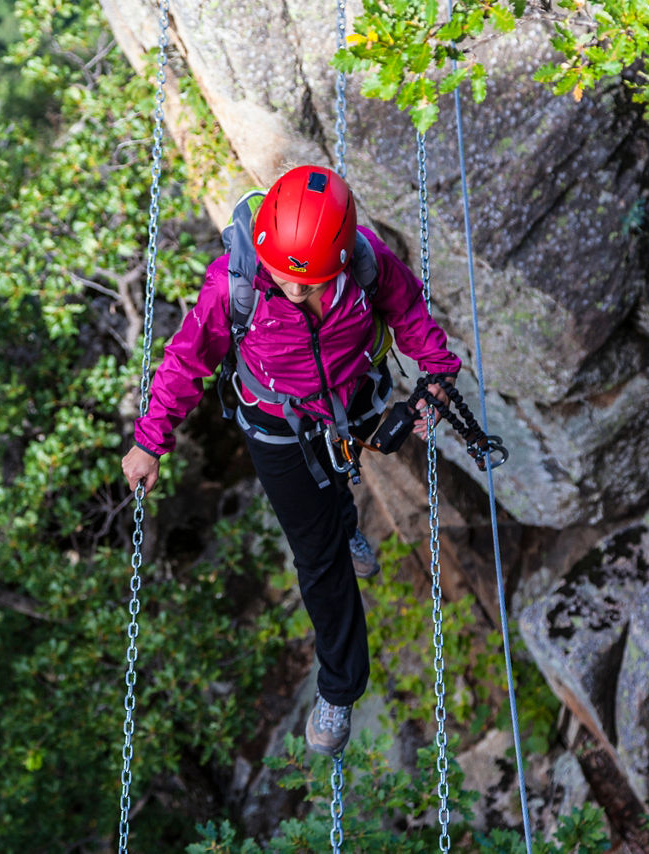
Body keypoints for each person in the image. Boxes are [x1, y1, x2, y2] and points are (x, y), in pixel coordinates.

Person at [120, 165, 461, 756]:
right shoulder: (234, 286)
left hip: (354, 403)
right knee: (318, 558)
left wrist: (438, 371)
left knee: (337, 483)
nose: (297, 292)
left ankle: (344, 524)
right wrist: (150, 441)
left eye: (312, 282)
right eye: (286, 277)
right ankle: (340, 687)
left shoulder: (365, 261)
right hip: (277, 426)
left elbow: (407, 310)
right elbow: (186, 360)